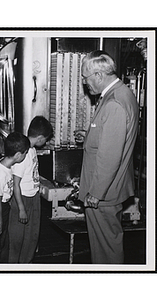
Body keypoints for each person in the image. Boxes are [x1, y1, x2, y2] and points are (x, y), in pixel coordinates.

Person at [78, 50, 139, 264]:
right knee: (106, 246)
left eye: (86, 78)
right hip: (110, 189)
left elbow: (110, 155)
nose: (85, 84)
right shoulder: (123, 94)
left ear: (99, 75)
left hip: (103, 193)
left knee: (105, 251)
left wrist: (96, 192)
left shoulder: (114, 103)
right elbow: (110, 139)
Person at [8, 116, 53, 263]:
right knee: (17, 238)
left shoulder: (32, 150)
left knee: (31, 235)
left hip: (33, 197)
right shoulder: (24, 154)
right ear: (40, 138)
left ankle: (26, 264)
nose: (45, 143)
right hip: (22, 199)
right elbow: (16, 183)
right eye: (45, 139)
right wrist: (21, 208)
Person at [0, 132, 30, 263]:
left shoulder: (5, 165)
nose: (25, 156)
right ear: (19, 155)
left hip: (1, 207)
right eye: (25, 153)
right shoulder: (0, 174)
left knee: (0, 244)